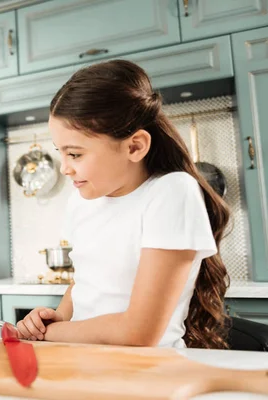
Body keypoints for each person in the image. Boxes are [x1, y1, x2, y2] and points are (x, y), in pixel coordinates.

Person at [17, 60, 231, 349]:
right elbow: (84, 283)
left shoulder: (171, 192)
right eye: (61, 153)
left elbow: (139, 332)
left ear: (135, 146)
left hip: (146, 372)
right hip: (82, 363)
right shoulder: (81, 201)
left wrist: (48, 334)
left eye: (76, 154)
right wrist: (53, 318)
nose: (65, 168)